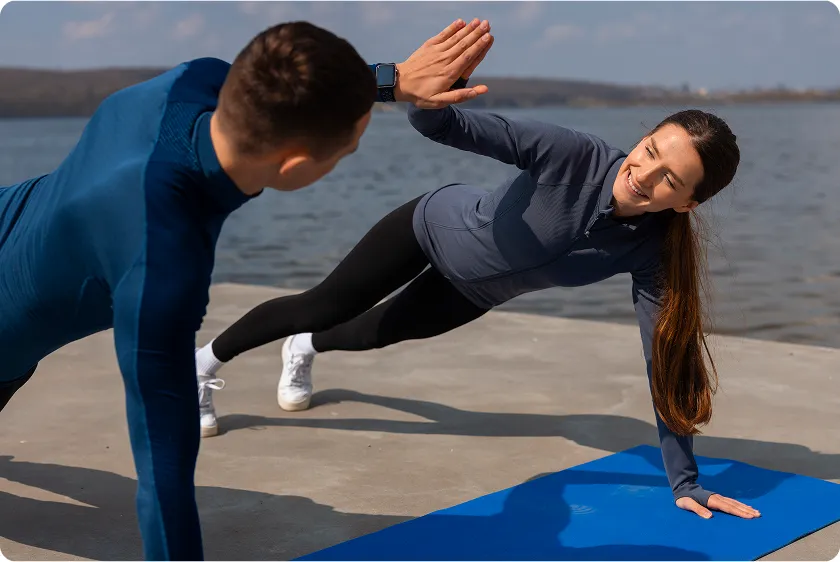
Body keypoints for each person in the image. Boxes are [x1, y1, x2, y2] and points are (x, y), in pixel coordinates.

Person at [0, 18, 494, 560]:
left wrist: (390, 80)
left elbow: (277, 79)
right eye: (344, 153)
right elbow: (161, 466)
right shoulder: (162, 256)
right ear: (297, 166)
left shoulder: (191, 81)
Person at [195, 58, 763, 522]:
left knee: (373, 333)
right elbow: (439, 127)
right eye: (650, 150)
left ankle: (305, 348)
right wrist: (432, 95)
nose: (644, 172)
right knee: (324, 302)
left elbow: (665, 360)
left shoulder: (653, 252)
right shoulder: (572, 154)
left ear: (687, 202)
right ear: (640, 140)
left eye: (669, 178)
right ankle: (201, 365)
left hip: (474, 293)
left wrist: (684, 481)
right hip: (425, 228)